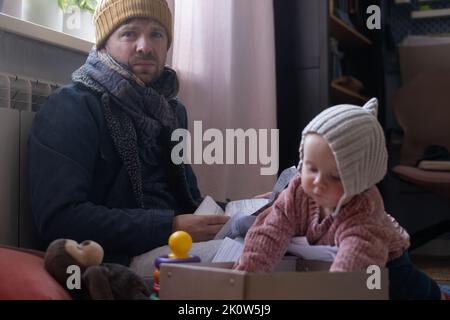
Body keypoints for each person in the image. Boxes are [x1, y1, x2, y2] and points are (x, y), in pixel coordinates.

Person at [28, 0, 228, 266]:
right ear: (103, 43)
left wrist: (239, 212)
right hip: (115, 259)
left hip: (172, 243)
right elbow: (60, 219)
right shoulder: (72, 106)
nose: (145, 46)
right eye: (130, 33)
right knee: (251, 259)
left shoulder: (171, 110)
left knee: (269, 240)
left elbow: (188, 201)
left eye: (156, 34)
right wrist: (167, 226)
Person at [235, 98, 449, 300]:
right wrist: (246, 276)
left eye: (335, 177)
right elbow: (270, 232)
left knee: (406, 289)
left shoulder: (363, 211)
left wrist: (335, 292)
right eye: (311, 168)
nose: (318, 181)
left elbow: (352, 268)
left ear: (361, 180)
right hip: (323, 257)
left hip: (384, 260)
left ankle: (439, 294)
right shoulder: (297, 191)